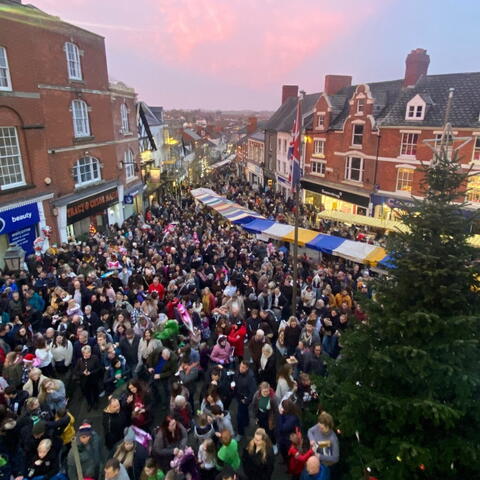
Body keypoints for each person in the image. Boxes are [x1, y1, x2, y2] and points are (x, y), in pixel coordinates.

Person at [252, 382, 279, 454]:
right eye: (264, 391)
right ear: (260, 390)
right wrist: (255, 417)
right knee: (262, 429)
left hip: (269, 416)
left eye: (268, 391)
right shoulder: (257, 395)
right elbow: (254, 405)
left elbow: (276, 410)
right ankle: (263, 442)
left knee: (271, 432)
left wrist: (275, 421)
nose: (266, 393)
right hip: (260, 414)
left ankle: (274, 444)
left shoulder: (273, 398)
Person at [73, 345, 102, 410]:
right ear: (82, 353)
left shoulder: (95, 358)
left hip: (94, 380)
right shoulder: (79, 360)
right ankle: (89, 404)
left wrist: (91, 372)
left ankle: (96, 402)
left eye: (88, 352)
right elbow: (75, 371)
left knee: (95, 392)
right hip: (84, 381)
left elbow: (99, 368)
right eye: (85, 353)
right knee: (87, 393)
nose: (87, 354)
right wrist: (82, 373)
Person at [233, 360, 257, 440]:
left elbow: (253, 391)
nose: (240, 368)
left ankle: (240, 433)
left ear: (247, 368)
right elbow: (235, 378)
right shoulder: (238, 372)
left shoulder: (250, 377)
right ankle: (246, 422)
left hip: (244, 398)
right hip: (239, 395)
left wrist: (247, 400)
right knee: (244, 411)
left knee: (239, 416)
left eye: (243, 367)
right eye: (240, 366)